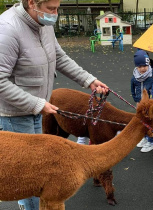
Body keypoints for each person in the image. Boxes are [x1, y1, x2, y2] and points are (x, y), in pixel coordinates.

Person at [0, 0, 108, 209]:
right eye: (51, 9)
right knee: (28, 176)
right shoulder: (7, 30)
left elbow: (59, 56)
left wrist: (89, 80)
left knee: (38, 170)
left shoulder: (43, 24)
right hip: (15, 115)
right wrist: (37, 104)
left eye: (57, 8)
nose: (55, 14)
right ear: (32, 3)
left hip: (37, 108)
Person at [131, 49, 153, 152]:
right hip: (140, 103)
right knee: (141, 121)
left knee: (150, 122)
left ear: (148, 64)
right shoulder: (135, 77)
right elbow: (132, 88)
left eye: (144, 66)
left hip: (149, 104)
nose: (142, 69)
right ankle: (144, 137)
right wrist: (136, 99)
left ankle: (150, 142)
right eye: (140, 67)